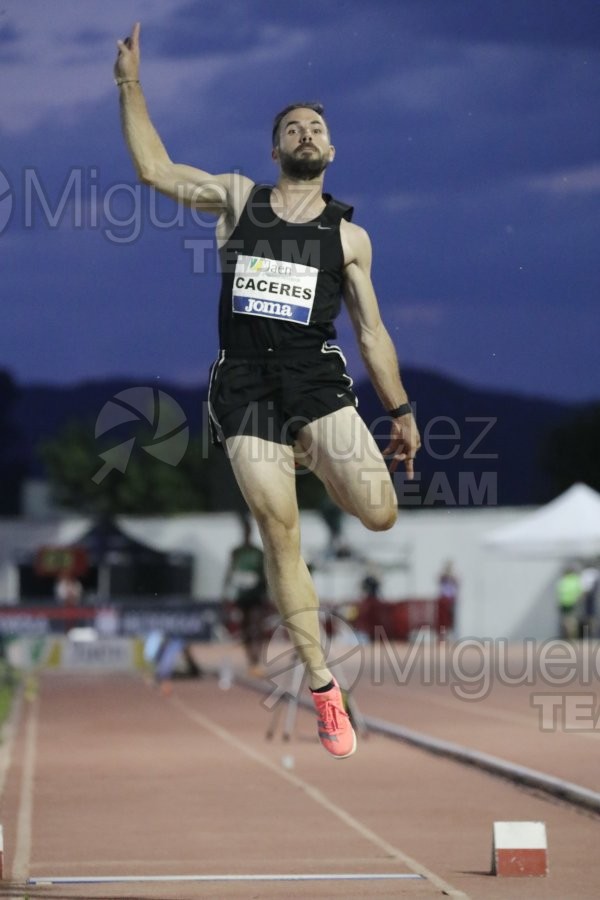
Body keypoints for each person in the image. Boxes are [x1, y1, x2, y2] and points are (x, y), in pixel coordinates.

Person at [114, 23, 421, 759]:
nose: (306, 133)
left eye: (317, 127)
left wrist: (402, 409)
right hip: (246, 386)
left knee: (379, 514)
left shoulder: (350, 238)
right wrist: (129, 83)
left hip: (317, 382)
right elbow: (155, 170)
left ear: (331, 150)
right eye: (292, 127)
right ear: (275, 148)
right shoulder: (237, 199)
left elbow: (372, 334)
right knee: (279, 529)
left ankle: (311, 452)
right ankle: (323, 688)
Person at [223, 515, 269, 676]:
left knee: (257, 626)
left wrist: (267, 592)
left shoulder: (258, 553)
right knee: (245, 628)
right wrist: (225, 595)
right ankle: (251, 660)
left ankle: (257, 659)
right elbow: (229, 573)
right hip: (242, 596)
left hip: (256, 594)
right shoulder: (236, 552)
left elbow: (265, 573)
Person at [556, 565, 582, 640]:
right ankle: (572, 636)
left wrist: (559, 602)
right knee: (572, 621)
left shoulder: (563, 580)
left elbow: (559, 592)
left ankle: (568, 635)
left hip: (564, 603)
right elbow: (580, 592)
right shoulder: (576, 580)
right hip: (573, 603)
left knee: (566, 620)